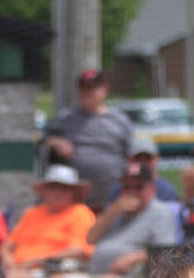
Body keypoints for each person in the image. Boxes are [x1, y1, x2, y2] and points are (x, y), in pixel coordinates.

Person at [47, 160, 179, 278]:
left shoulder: (160, 211)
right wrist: (112, 212)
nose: (132, 192)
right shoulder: (115, 209)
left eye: (139, 187)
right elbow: (90, 239)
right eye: (126, 187)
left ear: (152, 189)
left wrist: (134, 257)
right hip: (94, 273)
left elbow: (166, 250)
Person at [43, 69, 135, 212]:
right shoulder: (65, 118)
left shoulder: (119, 120)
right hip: (75, 203)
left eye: (92, 88)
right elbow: (45, 140)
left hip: (112, 201)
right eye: (83, 88)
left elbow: (131, 156)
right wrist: (56, 142)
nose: (87, 92)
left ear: (105, 89)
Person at [0, 164, 96, 278]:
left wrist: (37, 261)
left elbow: (77, 250)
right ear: (44, 191)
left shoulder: (80, 212)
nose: (57, 192)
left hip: (52, 270)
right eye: (52, 187)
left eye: (64, 188)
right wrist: (7, 260)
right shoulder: (32, 213)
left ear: (74, 192)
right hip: (19, 269)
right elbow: (8, 245)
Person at [108, 136, 180, 203]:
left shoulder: (166, 190)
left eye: (147, 158)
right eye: (138, 158)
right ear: (129, 159)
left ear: (156, 159)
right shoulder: (117, 189)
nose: (143, 163)